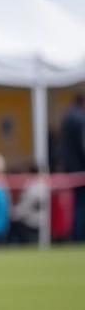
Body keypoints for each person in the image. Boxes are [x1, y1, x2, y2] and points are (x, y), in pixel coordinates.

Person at [60, 93, 85, 241]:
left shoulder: (67, 118)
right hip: (81, 170)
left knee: (77, 204)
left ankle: (76, 235)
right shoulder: (80, 119)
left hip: (71, 168)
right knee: (81, 204)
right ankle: (79, 236)